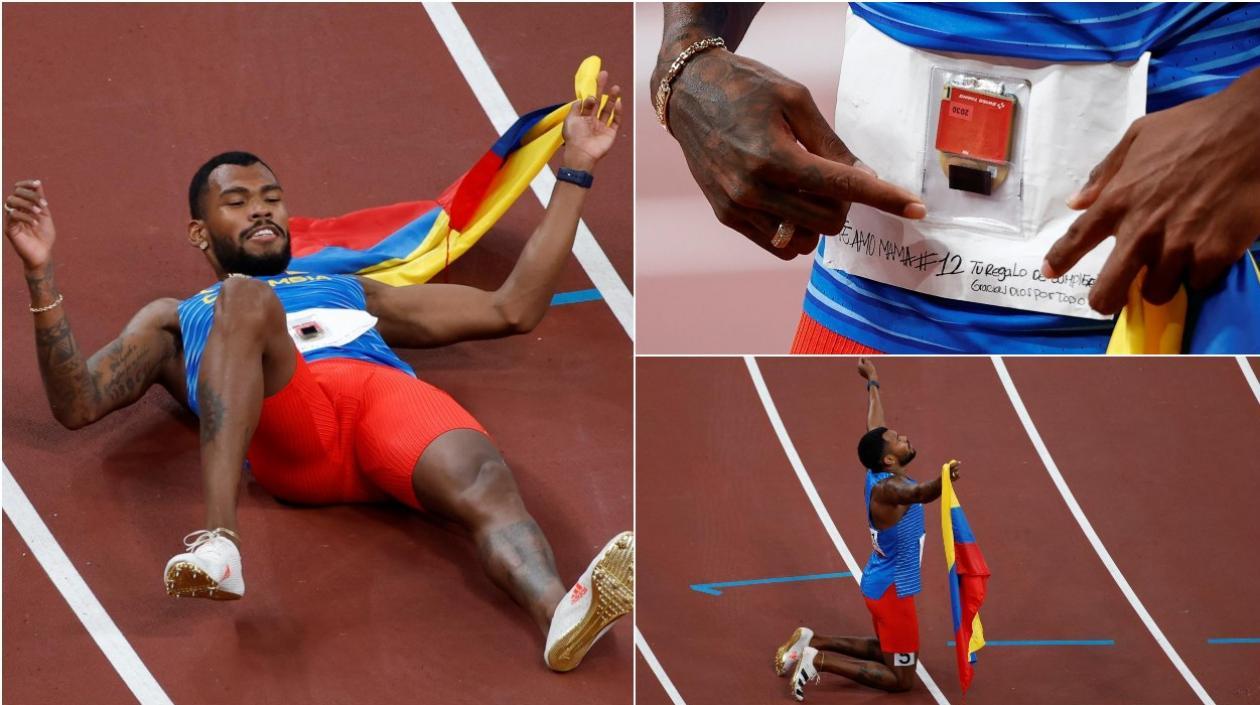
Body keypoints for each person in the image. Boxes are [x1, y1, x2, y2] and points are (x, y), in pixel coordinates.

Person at [3, 72, 631, 673]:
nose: (261, 211)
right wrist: (39, 273)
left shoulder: (347, 288)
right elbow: (78, 403)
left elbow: (512, 309)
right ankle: (220, 542)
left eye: (272, 199)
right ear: (199, 232)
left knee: (483, 478)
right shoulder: (177, 318)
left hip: (384, 411)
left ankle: (558, 614)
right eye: (237, 203)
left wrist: (576, 166)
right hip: (297, 429)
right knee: (244, 298)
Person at [652, 3, 1260, 353]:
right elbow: (689, 47)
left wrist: (1246, 124)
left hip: (1175, 265)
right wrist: (688, 53)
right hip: (873, 292)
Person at [773, 358, 959, 699]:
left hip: (880, 582)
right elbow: (921, 493)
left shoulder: (878, 469)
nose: (904, 437)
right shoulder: (890, 489)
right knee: (902, 679)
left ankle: (813, 640)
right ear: (889, 459)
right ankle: (819, 660)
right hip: (893, 590)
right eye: (898, 440)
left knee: (887, 650)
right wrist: (944, 479)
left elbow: (876, 425)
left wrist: (872, 382)